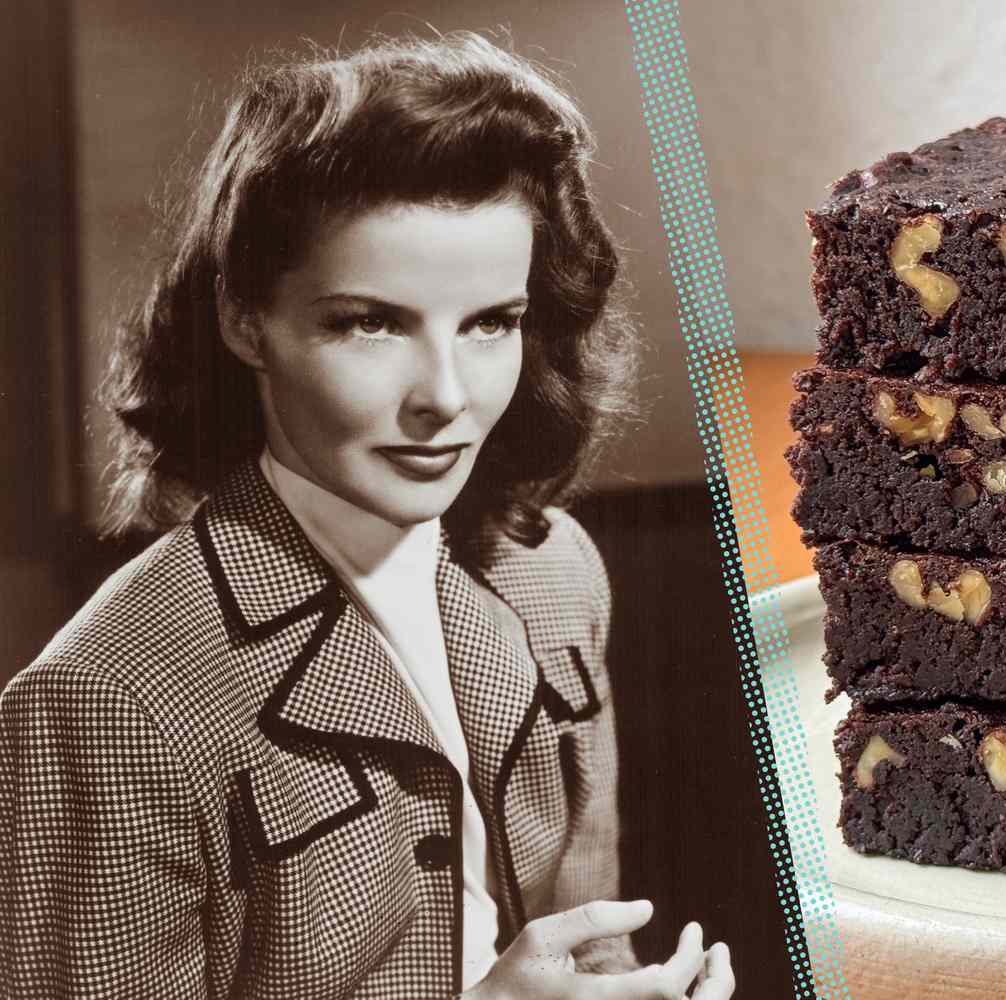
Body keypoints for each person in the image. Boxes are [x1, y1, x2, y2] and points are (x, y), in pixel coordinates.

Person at [0, 31, 734, 1000]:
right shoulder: (106, 699)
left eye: (491, 323)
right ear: (244, 320)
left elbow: (589, 945)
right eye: (370, 323)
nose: (446, 397)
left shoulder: (555, 570)